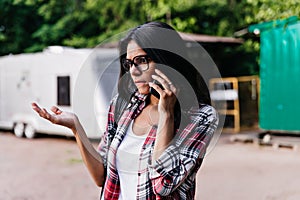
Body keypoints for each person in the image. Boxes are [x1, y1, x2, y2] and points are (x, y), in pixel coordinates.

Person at [32, 21, 218, 199]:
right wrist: (76, 128)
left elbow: (164, 184)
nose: (133, 71)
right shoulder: (122, 106)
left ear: (167, 60)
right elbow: (101, 177)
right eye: (129, 63)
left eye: (142, 60)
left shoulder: (201, 117)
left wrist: (167, 115)